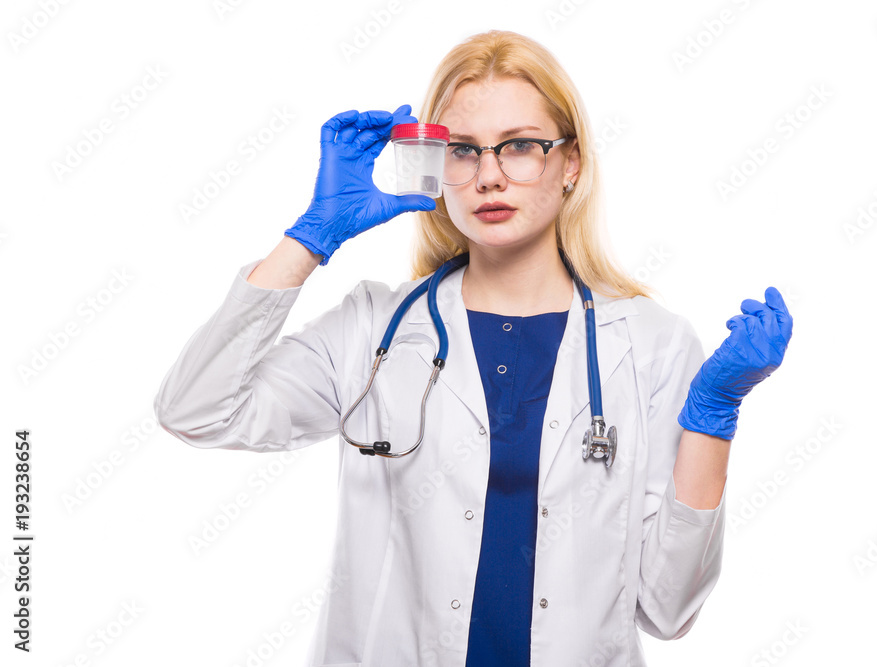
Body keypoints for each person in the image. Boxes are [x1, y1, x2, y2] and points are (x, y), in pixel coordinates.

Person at [154, 29, 792, 667]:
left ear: (571, 163)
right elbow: (197, 410)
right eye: (462, 150)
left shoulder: (651, 344)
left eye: (520, 146)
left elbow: (668, 609)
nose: (489, 177)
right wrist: (310, 238)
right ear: (435, 165)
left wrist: (713, 417)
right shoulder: (373, 329)